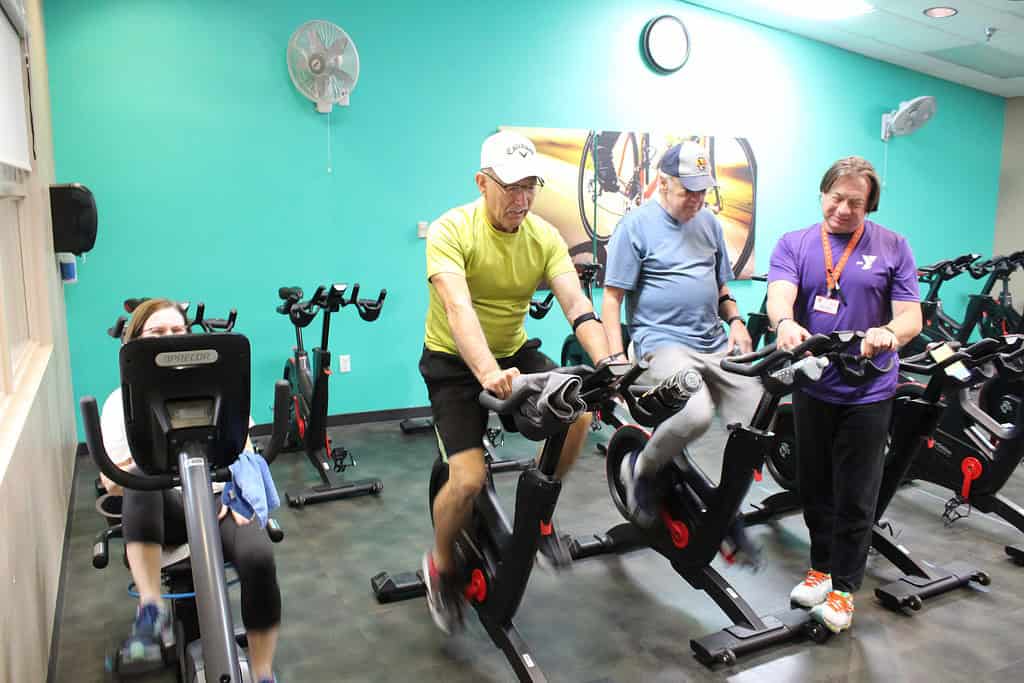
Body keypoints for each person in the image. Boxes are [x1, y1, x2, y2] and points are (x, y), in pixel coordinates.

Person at [419, 130, 615, 634]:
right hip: (453, 362)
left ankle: (540, 515)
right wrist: (486, 372)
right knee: (467, 480)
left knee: (579, 413)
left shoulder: (544, 236)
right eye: (510, 187)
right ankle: (439, 566)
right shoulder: (450, 230)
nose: (521, 199)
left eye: (530, 186)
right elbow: (458, 309)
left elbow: (577, 304)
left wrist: (610, 365)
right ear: (482, 183)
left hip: (513, 350)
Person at [767, 156, 922, 633]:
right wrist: (786, 322)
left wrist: (889, 335)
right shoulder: (794, 243)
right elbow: (779, 296)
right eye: (836, 198)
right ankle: (819, 568)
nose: (843, 209)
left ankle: (843, 589)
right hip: (815, 382)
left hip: (869, 389)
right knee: (813, 483)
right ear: (822, 195)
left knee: (857, 490)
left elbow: (910, 317)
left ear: (868, 205)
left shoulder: (894, 246)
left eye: (856, 202)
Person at [99, 298, 281, 682]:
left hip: (219, 501)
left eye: (176, 332)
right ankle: (151, 612)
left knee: (259, 558)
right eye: (157, 332)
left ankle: (262, 672)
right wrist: (141, 465)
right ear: (136, 341)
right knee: (140, 481)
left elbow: (243, 450)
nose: (169, 339)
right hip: (163, 507)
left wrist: (241, 493)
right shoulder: (120, 402)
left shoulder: (218, 387)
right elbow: (112, 482)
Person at [601, 140, 761, 563]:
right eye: (688, 190)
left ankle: (726, 510)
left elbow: (722, 287)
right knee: (695, 413)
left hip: (711, 342)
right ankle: (642, 469)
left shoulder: (708, 223)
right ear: (663, 182)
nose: (696, 199)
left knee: (758, 421)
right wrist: (617, 362)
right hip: (661, 343)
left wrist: (738, 321)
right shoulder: (635, 226)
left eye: (702, 191)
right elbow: (613, 298)